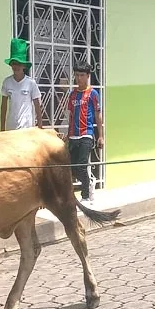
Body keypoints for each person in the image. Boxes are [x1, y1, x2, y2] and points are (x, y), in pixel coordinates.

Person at [65, 61, 103, 204]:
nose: (78, 78)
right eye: (76, 75)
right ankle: (90, 182)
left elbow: (98, 116)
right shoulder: (73, 94)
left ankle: (86, 195)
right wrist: (67, 134)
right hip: (73, 135)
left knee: (81, 164)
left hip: (86, 134)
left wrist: (101, 136)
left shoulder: (93, 94)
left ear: (87, 76)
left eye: (82, 75)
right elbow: (70, 115)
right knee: (73, 168)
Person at [0, 38, 42, 131]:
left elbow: (37, 105)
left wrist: (40, 127)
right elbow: (3, 106)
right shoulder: (7, 82)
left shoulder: (31, 83)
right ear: (11, 65)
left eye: (19, 63)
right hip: (11, 127)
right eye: (14, 63)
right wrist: (2, 127)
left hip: (27, 127)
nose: (16, 66)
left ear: (24, 66)